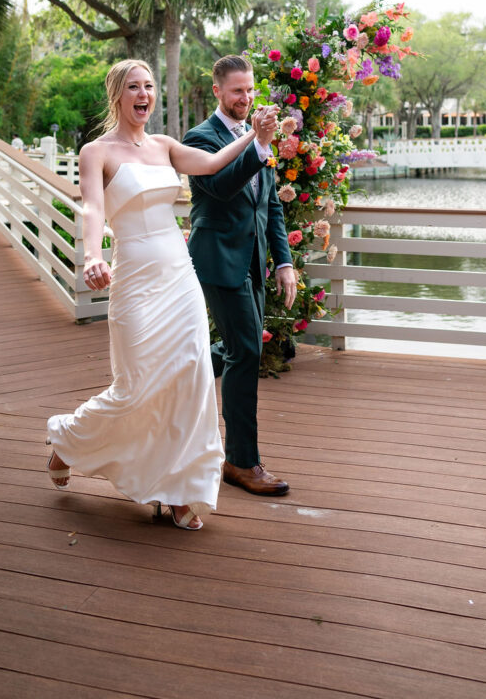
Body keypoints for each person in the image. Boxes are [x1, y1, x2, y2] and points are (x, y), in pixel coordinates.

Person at [46, 58, 279, 530]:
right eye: (134, 86)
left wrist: (258, 137)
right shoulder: (97, 151)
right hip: (133, 275)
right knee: (135, 387)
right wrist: (93, 255)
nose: (143, 94)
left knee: (190, 382)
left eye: (149, 86)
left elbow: (214, 164)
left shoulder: (166, 146)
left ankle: (179, 492)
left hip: (179, 276)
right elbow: (92, 208)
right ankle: (66, 441)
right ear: (117, 93)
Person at [183, 55, 297, 497]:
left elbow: (269, 206)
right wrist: (259, 143)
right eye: (237, 91)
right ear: (217, 91)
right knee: (247, 349)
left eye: (250, 89)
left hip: (253, 260)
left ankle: (176, 371)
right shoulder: (200, 138)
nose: (246, 98)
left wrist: (284, 262)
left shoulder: (257, 139)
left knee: (236, 348)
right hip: (215, 259)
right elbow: (223, 184)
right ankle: (241, 462)